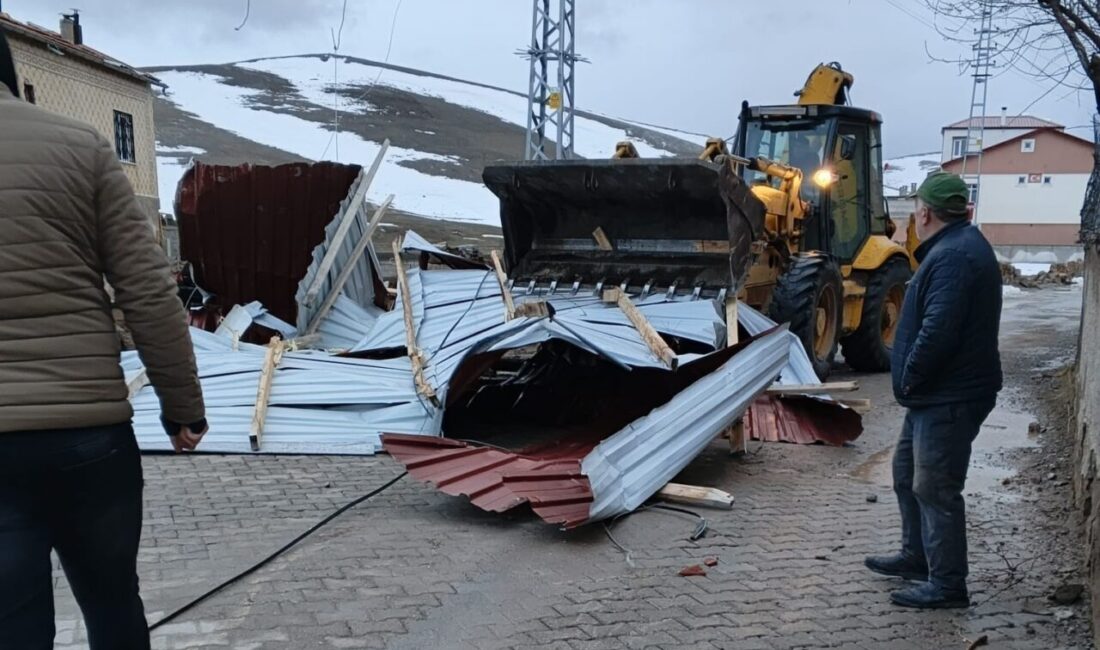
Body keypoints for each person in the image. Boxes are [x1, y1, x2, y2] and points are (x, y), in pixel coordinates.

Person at [0, 29, 207, 649]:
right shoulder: (81, 147)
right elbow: (148, 293)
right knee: (114, 600)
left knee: (12, 621)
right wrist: (183, 408)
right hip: (89, 437)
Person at [864, 172, 1003, 609]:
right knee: (907, 475)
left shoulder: (954, 257)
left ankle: (947, 585)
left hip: (949, 396)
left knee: (936, 487)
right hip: (935, 394)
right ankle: (915, 557)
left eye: (915, 210)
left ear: (923, 213)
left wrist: (910, 378)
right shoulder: (955, 248)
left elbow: (937, 332)